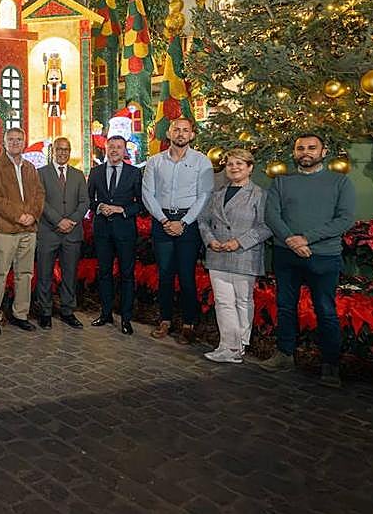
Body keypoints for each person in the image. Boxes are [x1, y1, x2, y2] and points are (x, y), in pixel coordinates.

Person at [258, 132, 356, 387]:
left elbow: (344, 219)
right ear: (294, 152)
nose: (306, 152)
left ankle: (330, 364)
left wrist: (306, 239)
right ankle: (284, 354)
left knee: (325, 310)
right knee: (286, 306)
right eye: (300, 148)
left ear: (324, 152)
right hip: (285, 255)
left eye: (312, 148)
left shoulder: (340, 182)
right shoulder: (281, 182)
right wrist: (291, 240)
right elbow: (272, 215)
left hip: (323, 256)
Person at [142, 117, 214, 344]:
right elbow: (148, 194)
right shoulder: (155, 162)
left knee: (186, 275)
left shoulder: (202, 162)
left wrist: (183, 222)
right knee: (164, 275)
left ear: (192, 135)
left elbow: (204, 195)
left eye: (185, 130)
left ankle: (188, 323)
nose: (181, 133)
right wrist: (164, 220)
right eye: (176, 130)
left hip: (188, 224)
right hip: (162, 221)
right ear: (169, 134)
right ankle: (165, 319)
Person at [197, 149, 272, 363]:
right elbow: (203, 220)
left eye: (240, 163)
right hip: (218, 253)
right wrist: (210, 240)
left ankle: (239, 347)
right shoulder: (217, 193)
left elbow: (266, 226)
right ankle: (227, 345)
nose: (234, 167)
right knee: (223, 302)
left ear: (250, 168)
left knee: (242, 301)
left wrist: (238, 242)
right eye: (230, 164)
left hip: (243, 254)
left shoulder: (259, 194)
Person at [0, 126, 45, 334]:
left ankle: (20, 314)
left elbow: (39, 194)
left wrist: (32, 215)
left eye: (19, 139)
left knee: (25, 274)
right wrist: (19, 216)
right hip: (5, 230)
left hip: (29, 230)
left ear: (24, 142)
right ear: (4, 143)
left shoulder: (30, 168)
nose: (15, 142)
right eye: (11, 139)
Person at [87, 135, 144, 334]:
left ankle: (126, 319)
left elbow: (141, 204)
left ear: (124, 151)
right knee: (104, 273)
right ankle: (105, 314)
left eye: (119, 147)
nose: (114, 150)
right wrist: (100, 206)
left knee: (127, 275)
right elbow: (87, 200)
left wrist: (122, 210)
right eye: (111, 147)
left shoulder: (134, 173)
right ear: (105, 149)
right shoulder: (95, 172)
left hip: (125, 230)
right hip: (102, 229)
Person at [35, 137, 89, 329]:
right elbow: (40, 202)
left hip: (72, 233)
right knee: (44, 274)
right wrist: (58, 220)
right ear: (53, 151)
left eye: (66, 149)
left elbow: (85, 202)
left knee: (69, 274)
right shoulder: (41, 173)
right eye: (59, 149)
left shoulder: (78, 174)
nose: (62, 153)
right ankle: (45, 312)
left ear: (70, 151)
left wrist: (71, 221)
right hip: (49, 232)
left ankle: (67, 311)